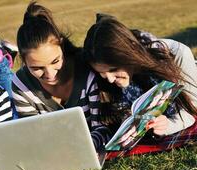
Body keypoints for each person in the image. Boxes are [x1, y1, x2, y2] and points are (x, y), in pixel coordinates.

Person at [83, 16, 197, 156]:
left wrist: (168, 125)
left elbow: (191, 111)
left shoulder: (177, 55)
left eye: (113, 70)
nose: (110, 79)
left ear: (129, 56)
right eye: (102, 73)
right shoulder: (104, 80)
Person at [12, 1, 112, 151]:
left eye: (55, 61)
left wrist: (85, 146)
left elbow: (104, 127)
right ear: (23, 60)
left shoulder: (87, 71)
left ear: (62, 46)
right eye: (37, 68)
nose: (50, 74)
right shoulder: (21, 84)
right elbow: (35, 134)